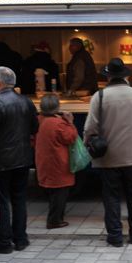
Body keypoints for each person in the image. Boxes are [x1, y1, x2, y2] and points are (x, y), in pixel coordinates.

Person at [84, 58, 132, 247]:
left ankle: (115, 236)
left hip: (108, 157)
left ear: (108, 77)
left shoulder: (98, 97)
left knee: (111, 197)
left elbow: (90, 128)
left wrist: (89, 146)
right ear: (125, 76)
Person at [0, 67, 38, 253]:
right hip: (23, 159)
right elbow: (34, 127)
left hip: (1, 162)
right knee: (19, 199)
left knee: (2, 201)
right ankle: (21, 239)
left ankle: (4, 242)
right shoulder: (26, 102)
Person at [35, 94, 78, 229]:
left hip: (43, 161)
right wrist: (70, 122)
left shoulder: (38, 120)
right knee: (60, 193)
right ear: (56, 107)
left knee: (52, 192)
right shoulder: (58, 123)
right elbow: (70, 138)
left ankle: (56, 218)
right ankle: (54, 221)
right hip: (58, 163)